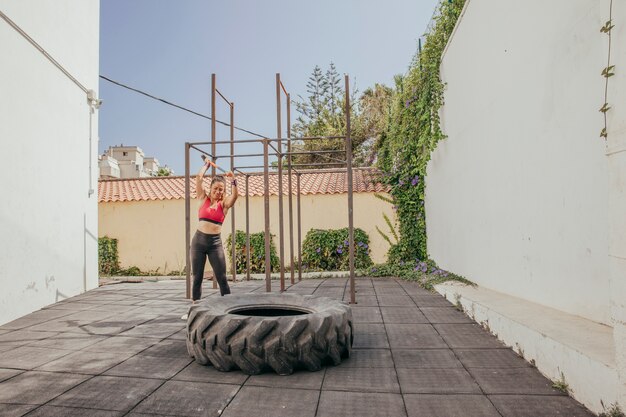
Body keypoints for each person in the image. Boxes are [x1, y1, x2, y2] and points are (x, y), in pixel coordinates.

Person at [183, 159, 238, 318]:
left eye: (221, 189)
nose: (218, 192)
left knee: (221, 278)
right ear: (211, 188)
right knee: (197, 277)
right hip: (198, 243)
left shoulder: (225, 204)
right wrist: (206, 165)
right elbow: (199, 179)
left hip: (215, 244)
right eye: (216, 188)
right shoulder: (203, 198)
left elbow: (235, 195)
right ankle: (194, 311)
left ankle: (228, 309)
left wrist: (233, 179)